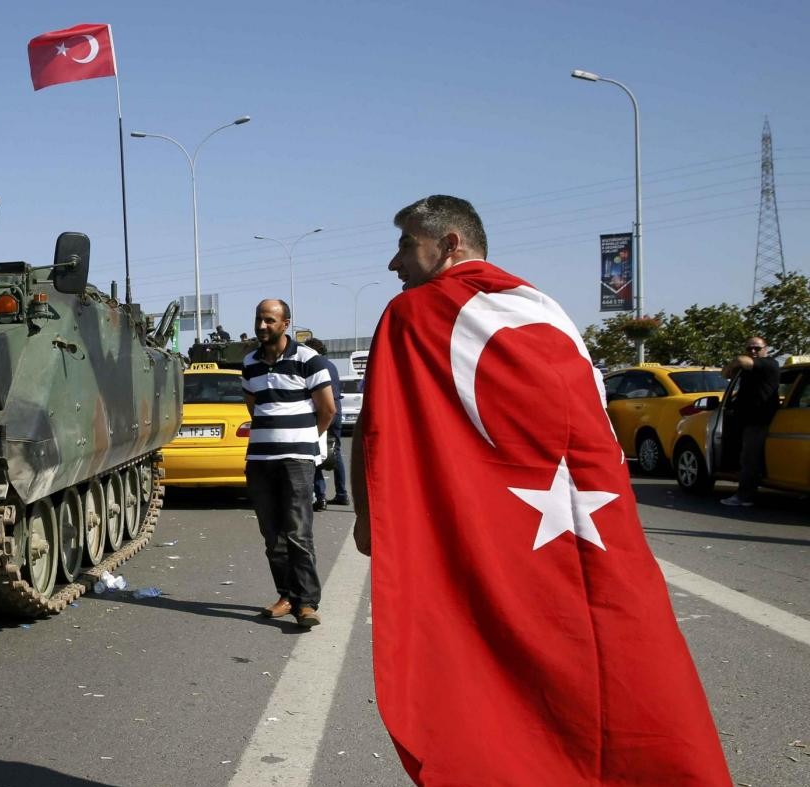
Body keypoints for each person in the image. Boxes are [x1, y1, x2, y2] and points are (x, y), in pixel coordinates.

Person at [350, 195, 729, 784]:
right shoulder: (543, 307)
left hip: (514, 523)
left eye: (405, 246)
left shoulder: (415, 316)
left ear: (450, 244)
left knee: (492, 651)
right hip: (591, 517)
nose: (393, 265)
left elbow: (379, 431)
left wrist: (371, 519)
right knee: (610, 645)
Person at [241, 300, 335, 629]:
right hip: (260, 461)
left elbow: (327, 410)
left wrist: (304, 441)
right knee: (272, 535)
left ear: (285, 324)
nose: (262, 325)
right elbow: (256, 408)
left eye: (269, 320)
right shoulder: (250, 363)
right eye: (259, 319)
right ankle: (286, 596)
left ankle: (307, 603)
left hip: (296, 461)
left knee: (298, 533)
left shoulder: (309, 360)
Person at [719, 336, 780, 507]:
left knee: (750, 458)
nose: (753, 351)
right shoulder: (747, 371)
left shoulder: (769, 364)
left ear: (765, 349)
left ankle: (744, 496)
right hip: (745, 419)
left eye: (757, 348)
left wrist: (736, 362)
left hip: (760, 420)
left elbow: (741, 360)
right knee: (745, 456)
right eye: (749, 348)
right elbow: (725, 374)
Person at [304, 338, 347, 509]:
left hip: (320, 411)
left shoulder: (314, 364)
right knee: (335, 451)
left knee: (315, 452)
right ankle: (342, 493)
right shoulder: (332, 365)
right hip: (336, 409)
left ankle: (320, 496)